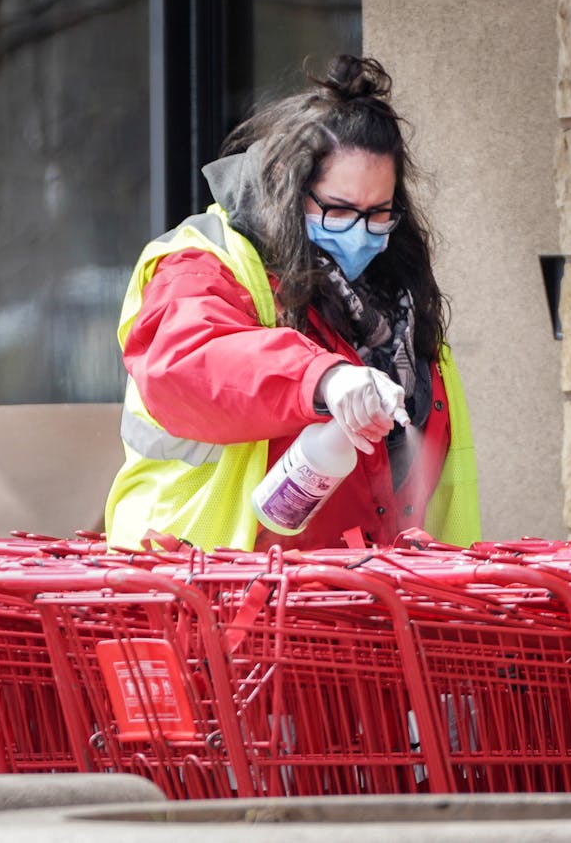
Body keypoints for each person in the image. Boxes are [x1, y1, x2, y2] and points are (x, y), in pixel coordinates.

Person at [104, 54, 479, 552]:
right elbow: (187, 362)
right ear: (287, 180)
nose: (360, 232)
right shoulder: (204, 260)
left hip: (347, 596)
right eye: (339, 210)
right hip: (198, 589)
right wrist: (321, 378)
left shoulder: (401, 307)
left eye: (378, 213)